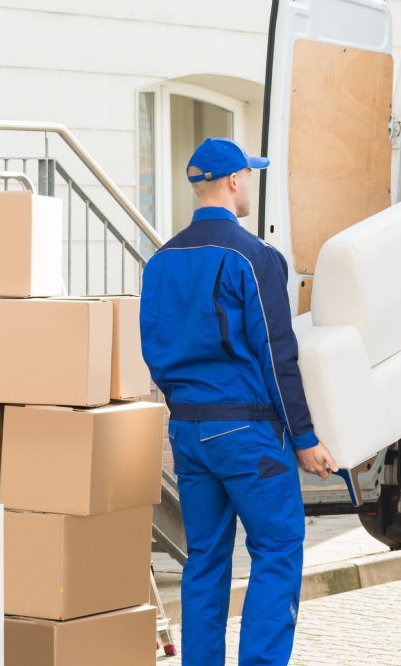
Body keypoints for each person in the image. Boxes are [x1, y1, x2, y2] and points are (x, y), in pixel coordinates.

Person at [139, 137, 338, 665]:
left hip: (187, 431)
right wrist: (304, 439)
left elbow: (153, 352)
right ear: (233, 181)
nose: (249, 182)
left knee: (204, 558)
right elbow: (278, 356)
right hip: (245, 434)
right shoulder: (256, 258)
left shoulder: (159, 262)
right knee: (276, 549)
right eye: (248, 174)